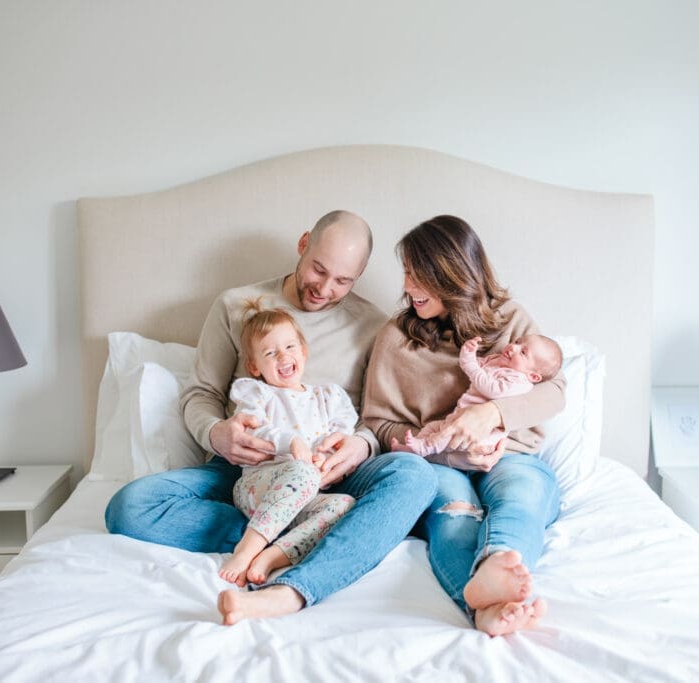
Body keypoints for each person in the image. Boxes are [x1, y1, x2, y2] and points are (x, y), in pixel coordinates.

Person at [104, 210, 436, 625]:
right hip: (248, 468)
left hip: (331, 471)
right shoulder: (236, 304)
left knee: (416, 474)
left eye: (343, 281)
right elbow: (202, 394)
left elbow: (378, 417)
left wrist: (361, 444)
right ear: (302, 245)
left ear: (360, 275)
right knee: (129, 507)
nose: (326, 288)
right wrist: (217, 434)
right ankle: (303, 533)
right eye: (318, 269)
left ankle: (291, 583)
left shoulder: (372, 326)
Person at [362, 215, 566, 637]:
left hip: (510, 456)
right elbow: (377, 422)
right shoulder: (397, 338)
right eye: (406, 273)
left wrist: (491, 415)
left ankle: (497, 565)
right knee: (454, 515)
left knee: (522, 497)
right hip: (439, 461)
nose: (406, 286)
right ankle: (485, 608)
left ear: (452, 274)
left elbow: (555, 391)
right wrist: (448, 448)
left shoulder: (511, 321)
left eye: (417, 275)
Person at [219, 300, 358, 586]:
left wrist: (326, 454)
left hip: (301, 498)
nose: (283, 355)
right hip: (258, 487)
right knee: (303, 471)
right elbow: (250, 433)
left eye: (290, 347)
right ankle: (246, 549)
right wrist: (290, 441)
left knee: (344, 505)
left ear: (304, 352)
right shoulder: (259, 396)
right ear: (254, 367)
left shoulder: (327, 397)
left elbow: (342, 433)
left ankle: (273, 556)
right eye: (270, 352)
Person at [396, 334, 563, 456]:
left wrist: (472, 367)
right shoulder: (499, 361)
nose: (513, 347)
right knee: (432, 428)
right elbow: (477, 365)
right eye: (517, 342)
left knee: (443, 435)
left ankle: (423, 448)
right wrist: (469, 353)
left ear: (533, 376)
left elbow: (491, 388)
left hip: (481, 434)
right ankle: (412, 449)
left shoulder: (519, 381)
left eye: (523, 352)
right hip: (460, 418)